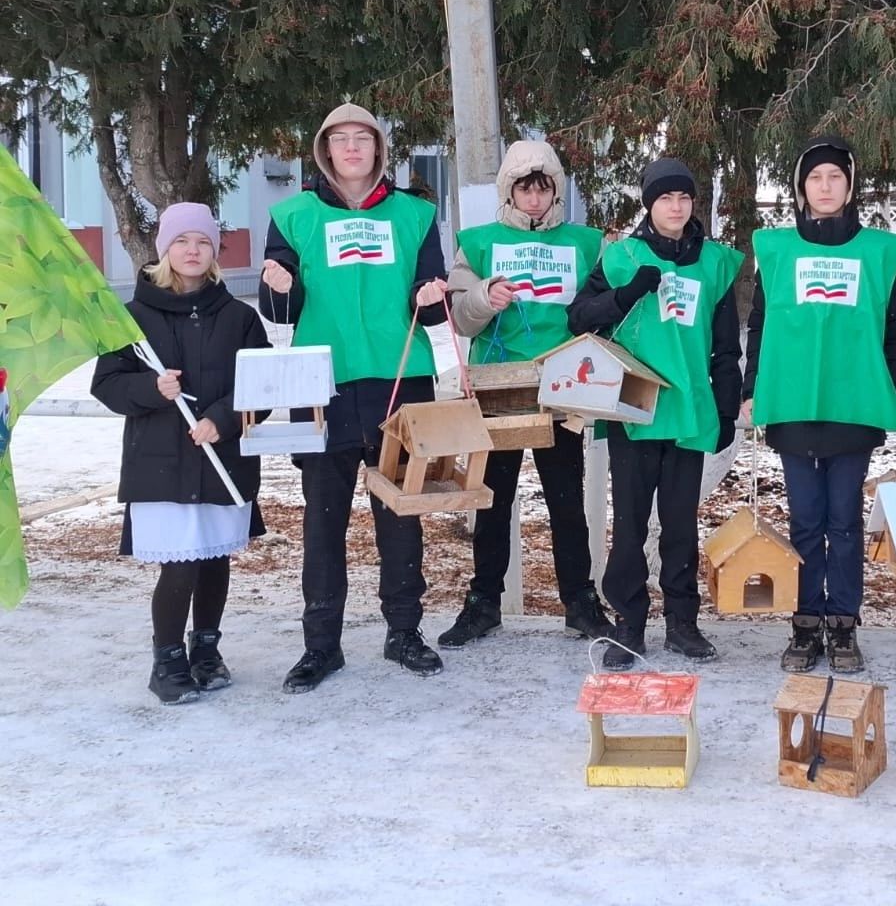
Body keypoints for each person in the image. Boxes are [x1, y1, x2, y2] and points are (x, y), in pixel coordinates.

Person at [259, 102, 450, 693]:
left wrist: (431, 293)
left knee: (400, 513)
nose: (350, 148)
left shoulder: (417, 215)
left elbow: (434, 301)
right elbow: (277, 311)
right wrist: (280, 287)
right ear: (324, 151)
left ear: (377, 150)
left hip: (399, 381)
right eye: (338, 139)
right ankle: (322, 645)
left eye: (361, 139)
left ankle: (404, 632)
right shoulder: (291, 215)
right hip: (324, 384)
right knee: (323, 522)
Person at [741, 136, 896, 673]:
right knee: (804, 521)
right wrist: (752, 390)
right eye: (815, 178)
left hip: (853, 406)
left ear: (849, 185)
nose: (825, 186)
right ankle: (803, 622)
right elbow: (760, 324)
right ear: (801, 188)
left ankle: (842, 623)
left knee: (843, 522)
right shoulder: (776, 251)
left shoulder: (877, 253)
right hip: (795, 407)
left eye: (834, 177)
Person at [568, 158, 743, 668]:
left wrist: (727, 408)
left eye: (684, 198)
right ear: (649, 204)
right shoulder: (622, 257)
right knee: (629, 526)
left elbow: (726, 349)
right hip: (634, 410)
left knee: (681, 525)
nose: (676, 206)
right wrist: (625, 293)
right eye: (665, 198)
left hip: (688, 411)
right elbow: (579, 318)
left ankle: (682, 623)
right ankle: (629, 622)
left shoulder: (714, 263)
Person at [92, 204, 271, 704]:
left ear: (214, 252)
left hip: (221, 461)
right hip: (161, 465)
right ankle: (167, 658)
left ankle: (206, 650)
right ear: (164, 250)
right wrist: (153, 388)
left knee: (215, 560)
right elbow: (106, 385)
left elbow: (260, 387)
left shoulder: (239, 316)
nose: (192, 251)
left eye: (202, 242)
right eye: (181, 242)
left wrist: (222, 418)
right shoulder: (132, 318)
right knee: (180, 565)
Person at [441, 139, 611, 645]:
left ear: (555, 190)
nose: (534, 198)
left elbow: (599, 308)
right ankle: (483, 602)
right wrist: (482, 297)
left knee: (566, 500)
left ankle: (580, 602)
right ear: (508, 191)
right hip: (498, 388)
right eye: (524, 188)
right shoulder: (477, 242)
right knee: (492, 500)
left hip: (561, 388)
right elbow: (459, 319)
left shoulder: (586, 243)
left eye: (543, 188)